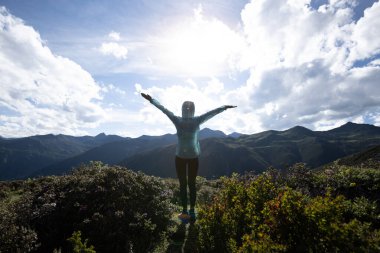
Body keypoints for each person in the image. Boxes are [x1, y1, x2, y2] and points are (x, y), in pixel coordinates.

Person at [141, 93, 236, 221]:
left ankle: (187, 211)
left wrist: (152, 100)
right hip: (191, 157)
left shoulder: (179, 120)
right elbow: (211, 113)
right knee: (188, 184)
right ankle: (189, 211)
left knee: (186, 184)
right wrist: (224, 107)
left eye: (187, 108)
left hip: (181, 157)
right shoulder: (195, 120)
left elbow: (164, 110)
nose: (187, 110)